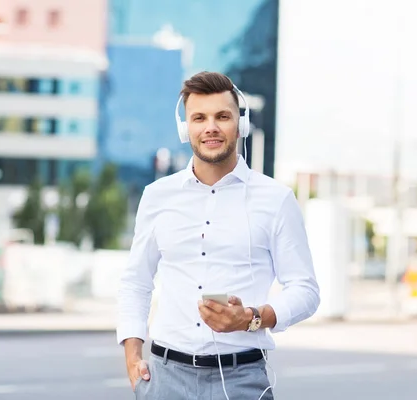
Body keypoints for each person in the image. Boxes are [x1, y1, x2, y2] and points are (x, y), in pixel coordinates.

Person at [117, 71, 320, 400]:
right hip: (165, 379)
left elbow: (306, 290)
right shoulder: (157, 196)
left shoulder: (276, 199)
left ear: (240, 124)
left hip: (243, 380)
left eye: (222, 116)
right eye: (199, 117)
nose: (210, 127)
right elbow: (136, 282)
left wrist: (252, 318)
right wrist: (132, 356)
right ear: (186, 129)